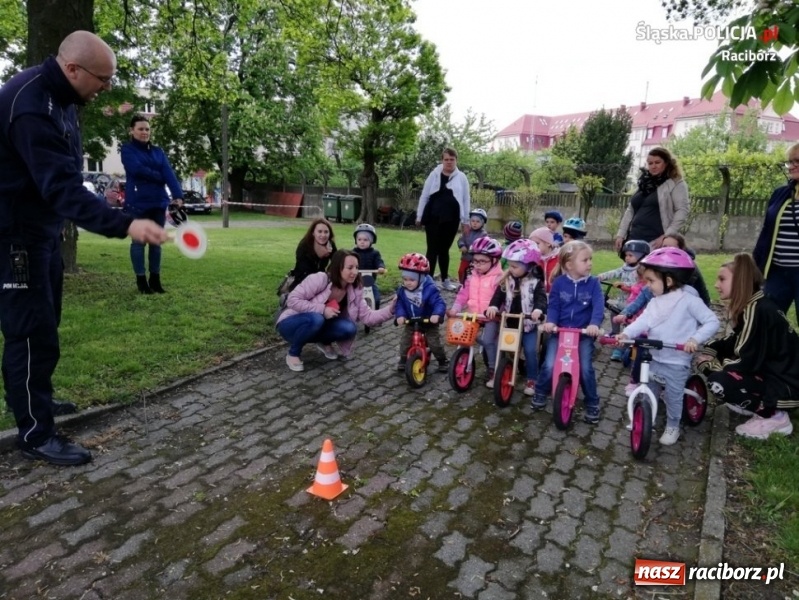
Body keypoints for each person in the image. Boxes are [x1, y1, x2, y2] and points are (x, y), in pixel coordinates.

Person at [0, 31, 168, 466]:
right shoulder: (32, 106)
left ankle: (38, 402)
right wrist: (126, 223)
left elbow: (66, 179)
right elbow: (62, 190)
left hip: (42, 233)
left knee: (47, 321)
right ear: (72, 69)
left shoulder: (65, 99)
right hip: (14, 236)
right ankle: (36, 433)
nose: (108, 87)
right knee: (30, 331)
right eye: (103, 78)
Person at [618, 248, 719, 446]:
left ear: (669, 281)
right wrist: (626, 333)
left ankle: (673, 425)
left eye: (651, 281)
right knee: (649, 390)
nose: (647, 286)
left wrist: (694, 340)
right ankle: (648, 419)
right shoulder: (655, 302)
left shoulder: (689, 301)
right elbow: (643, 321)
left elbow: (712, 321)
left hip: (676, 360)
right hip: (655, 357)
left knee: (673, 397)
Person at [697, 253, 798, 439]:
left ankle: (774, 416)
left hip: (786, 383)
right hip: (782, 375)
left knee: (718, 382)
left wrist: (709, 365)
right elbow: (736, 340)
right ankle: (754, 403)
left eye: (722, 279)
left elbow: (745, 359)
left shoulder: (756, 310)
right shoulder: (755, 305)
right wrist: (711, 348)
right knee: (719, 368)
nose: (716, 285)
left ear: (740, 281)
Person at [276, 250, 395, 372]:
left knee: (349, 328)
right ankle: (293, 354)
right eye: (350, 268)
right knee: (317, 318)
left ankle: (324, 341)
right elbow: (293, 300)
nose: (355, 272)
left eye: (357, 267)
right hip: (290, 323)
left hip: (317, 325)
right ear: (338, 268)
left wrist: (391, 309)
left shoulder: (354, 288)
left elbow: (368, 317)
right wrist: (322, 309)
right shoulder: (320, 279)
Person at [532, 241, 604, 423]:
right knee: (549, 364)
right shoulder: (559, 283)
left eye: (590, 259)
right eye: (585, 260)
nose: (590, 263)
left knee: (586, 368)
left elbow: (598, 307)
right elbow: (554, 305)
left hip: (584, 334)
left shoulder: (594, 283)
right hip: (560, 332)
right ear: (569, 265)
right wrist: (551, 322)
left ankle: (592, 402)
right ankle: (540, 392)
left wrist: (594, 324)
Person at [121, 115, 184, 294]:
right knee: (138, 242)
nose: (144, 132)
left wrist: (178, 196)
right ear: (131, 131)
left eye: (147, 129)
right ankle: (141, 282)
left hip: (158, 201)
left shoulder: (158, 151)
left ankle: (155, 280)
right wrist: (159, 176)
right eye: (140, 129)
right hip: (137, 202)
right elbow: (136, 169)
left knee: (156, 243)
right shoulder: (127, 149)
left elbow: (168, 173)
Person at [486, 240, 548, 395]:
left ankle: (532, 379)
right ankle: (499, 373)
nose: (511, 269)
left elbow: (541, 299)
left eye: (515, 266)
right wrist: (493, 306)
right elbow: (498, 295)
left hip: (528, 325)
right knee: (504, 348)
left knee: (529, 351)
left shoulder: (535, 282)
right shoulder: (507, 279)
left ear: (528, 265)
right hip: (511, 323)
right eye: (510, 266)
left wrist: (538, 310)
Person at [752, 142, 799, 319]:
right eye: (790, 162)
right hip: (777, 272)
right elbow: (767, 232)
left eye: (797, 161)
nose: (792, 166)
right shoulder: (780, 193)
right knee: (769, 319)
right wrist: (756, 264)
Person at [448, 237, 504, 385]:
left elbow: (502, 298)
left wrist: (497, 310)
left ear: (494, 261)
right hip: (474, 314)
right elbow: (463, 294)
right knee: (462, 336)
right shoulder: (471, 276)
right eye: (475, 261)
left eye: (482, 261)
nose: (477, 265)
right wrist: (455, 308)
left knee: (488, 341)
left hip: (491, 317)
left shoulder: (499, 278)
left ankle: (493, 369)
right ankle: (463, 359)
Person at [415, 148, 471, 291]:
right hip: (433, 217)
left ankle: (445, 279)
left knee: (444, 249)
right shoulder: (434, 175)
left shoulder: (462, 178)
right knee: (432, 249)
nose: (449, 162)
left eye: (452, 160)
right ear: (442, 160)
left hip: (451, 219)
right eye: (446, 159)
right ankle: (428, 280)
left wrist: (465, 221)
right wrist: (419, 216)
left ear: (456, 160)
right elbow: (424, 195)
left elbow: (465, 200)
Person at [615, 147, 690, 252]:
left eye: (657, 162)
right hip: (634, 239)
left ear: (667, 163)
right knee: (631, 268)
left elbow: (682, 210)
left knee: (649, 269)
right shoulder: (643, 183)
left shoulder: (676, 183)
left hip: (655, 241)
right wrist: (621, 234)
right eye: (650, 163)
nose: (653, 166)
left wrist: (666, 236)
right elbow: (630, 210)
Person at [394, 253, 448, 372]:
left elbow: (439, 303)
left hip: (428, 321)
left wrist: (436, 314)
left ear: (421, 278)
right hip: (411, 321)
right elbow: (400, 304)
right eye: (405, 279)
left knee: (434, 343)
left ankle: (442, 360)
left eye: (412, 279)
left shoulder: (430, 289)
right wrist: (400, 315)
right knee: (405, 341)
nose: (408, 282)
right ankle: (403, 359)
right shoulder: (402, 291)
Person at [597, 239, 651, 347]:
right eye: (626, 255)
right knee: (614, 312)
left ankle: (625, 342)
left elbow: (639, 287)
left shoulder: (641, 272)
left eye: (631, 255)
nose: (627, 257)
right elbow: (614, 272)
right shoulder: (625, 268)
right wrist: (600, 277)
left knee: (628, 321)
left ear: (641, 257)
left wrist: (625, 286)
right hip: (622, 301)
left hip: (635, 305)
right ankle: (615, 332)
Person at [661, 233, 711, 306]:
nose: (667, 250)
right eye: (664, 246)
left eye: (672, 247)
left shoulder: (688, 266)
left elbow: (680, 291)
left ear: (681, 249)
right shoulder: (663, 263)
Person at [290, 218, 337, 290]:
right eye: (320, 231)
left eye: (326, 232)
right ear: (313, 233)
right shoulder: (304, 245)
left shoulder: (330, 245)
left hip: (321, 280)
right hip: (303, 281)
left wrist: (330, 273)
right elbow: (303, 270)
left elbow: (337, 261)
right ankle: (287, 297)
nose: (323, 235)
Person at [351, 223, 385, 308]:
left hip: (370, 282)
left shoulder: (375, 253)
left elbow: (379, 261)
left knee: (376, 299)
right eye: (359, 239)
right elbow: (348, 262)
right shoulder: (353, 253)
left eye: (365, 240)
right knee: (352, 298)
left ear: (371, 241)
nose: (362, 242)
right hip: (356, 282)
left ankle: (375, 315)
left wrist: (381, 267)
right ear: (356, 240)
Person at [456, 208, 488, 284]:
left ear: (482, 223)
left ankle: (472, 286)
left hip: (476, 259)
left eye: (477, 221)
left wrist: (476, 249)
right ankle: (462, 284)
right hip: (465, 257)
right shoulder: (467, 231)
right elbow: (461, 239)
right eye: (473, 221)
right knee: (461, 271)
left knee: (474, 274)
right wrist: (462, 245)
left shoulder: (483, 234)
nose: (475, 223)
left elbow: (484, 244)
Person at [529, 227, 559, 293]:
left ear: (548, 243)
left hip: (555, 294)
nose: (534, 247)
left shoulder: (558, 258)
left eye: (537, 243)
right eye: (532, 244)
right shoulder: (535, 259)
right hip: (540, 296)